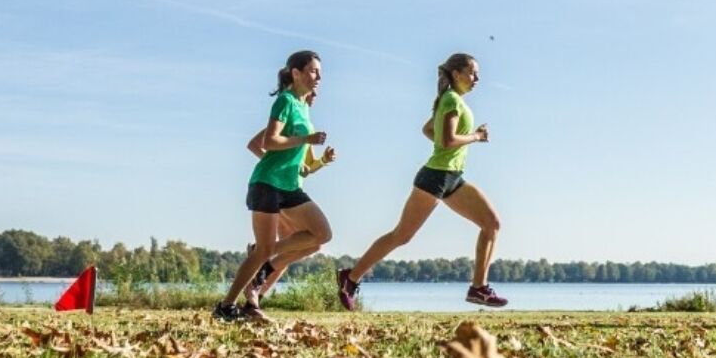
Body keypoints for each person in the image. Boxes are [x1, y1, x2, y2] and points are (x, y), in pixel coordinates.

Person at [337, 53, 506, 309]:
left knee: (491, 223)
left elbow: (429, 130)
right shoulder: (450, 100)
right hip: (435, 177)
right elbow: (447, 140)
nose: (477, 78)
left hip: (453, 177)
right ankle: (350, 277)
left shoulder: (452, 100)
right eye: (472, 73)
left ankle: (478, 288)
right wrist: (475, 137)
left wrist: (450, 147)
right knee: (401, 236)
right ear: (457, 74)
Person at [213, 51, 333, 322]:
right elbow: (268, 141)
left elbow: (288, 148)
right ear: (296, 73)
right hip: (266, 184)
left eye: (320, 73)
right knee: (265, 251)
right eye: (313, 71)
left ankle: (262, 256)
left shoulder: (303, 107)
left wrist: (308, 161)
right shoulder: (285, 101)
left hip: (289, 186)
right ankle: (227, 306)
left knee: (321, 234)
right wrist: (306, 138)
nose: (319, 78)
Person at [244, 92, 335, 308]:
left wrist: (323, 160)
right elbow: (255, 144)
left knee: (306, 246)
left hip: (294, 191)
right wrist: (278, 164)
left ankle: (257, 292)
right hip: (277, 188)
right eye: (312, 91)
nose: (315, 94)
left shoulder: (307, 126)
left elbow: (308, 168)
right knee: (307, 244)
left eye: (317, 93)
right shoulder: (289, 120)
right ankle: (259, 270)